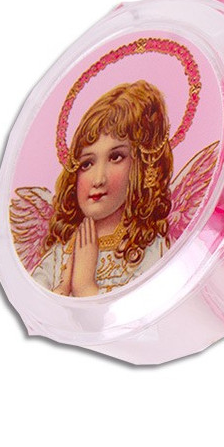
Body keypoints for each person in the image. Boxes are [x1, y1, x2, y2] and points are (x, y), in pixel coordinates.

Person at [32, 80, 174, 296]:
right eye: (87, 163)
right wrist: (61, 289)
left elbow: (142, 309)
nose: (98, 179)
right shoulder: (60, 252)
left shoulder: (149, 248)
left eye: (116, 157)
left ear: (141, 166)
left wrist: (85, 287)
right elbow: (38, 301)